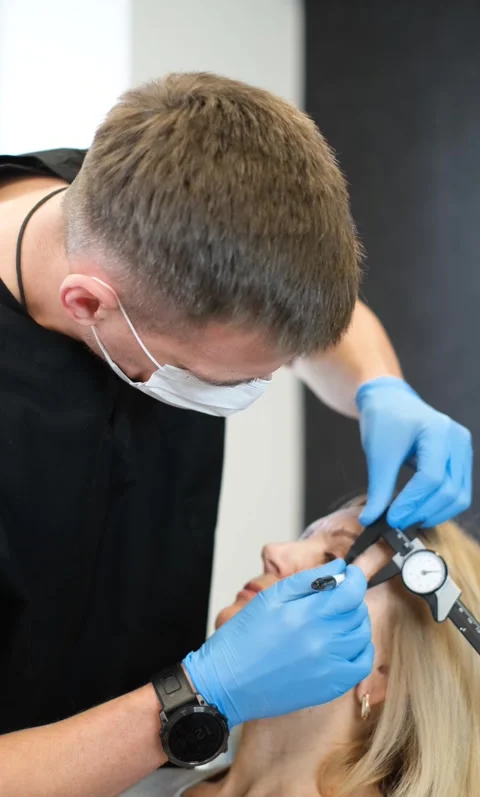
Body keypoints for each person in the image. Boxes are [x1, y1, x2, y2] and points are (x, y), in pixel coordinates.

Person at [0, 72, 472, 795]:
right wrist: (192, 695)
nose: (274, 548)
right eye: (233, 379)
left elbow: (317, 324)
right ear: (90, 303)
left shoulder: (155, 199)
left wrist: (381, 383)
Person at [124, 496, 480, 797]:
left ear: (384, 673)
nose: (273, 551)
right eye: (304, 537)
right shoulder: (138, 781)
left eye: (330, 557)